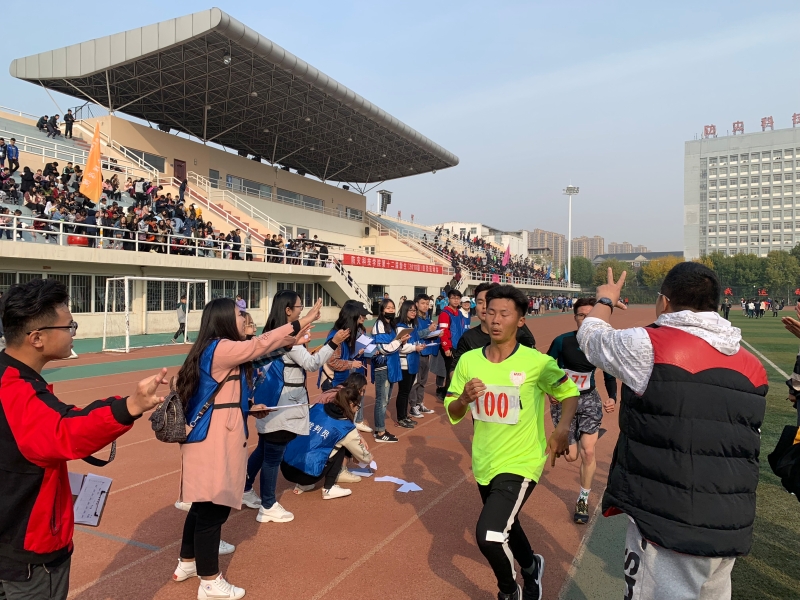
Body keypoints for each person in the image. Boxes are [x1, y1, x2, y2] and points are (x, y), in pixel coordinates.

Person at [577, 263, 768, 600]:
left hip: (666, 522)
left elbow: (591, 338)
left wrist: (605, 300)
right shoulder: (752, 365)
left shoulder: (650, 345)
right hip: (728, 523)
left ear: (664, 302)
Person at [0, 279, 168, 600]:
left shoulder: (11, 378)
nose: (73, 332)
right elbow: (67, 430)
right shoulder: (20, 392)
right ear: (37, 338)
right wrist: (131, 405)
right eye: (69, 326)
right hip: (28, 552)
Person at [172, 297, 316, 599]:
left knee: (202, 506)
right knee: (212, 511)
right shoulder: (220, 347)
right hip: (213, 442)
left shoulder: (216, 348)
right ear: (224, 319)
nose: (245, 319)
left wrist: (250, 407)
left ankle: (188, 562)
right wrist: (299, 324)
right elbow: (260, 345)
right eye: (240, 315)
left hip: (211, 437)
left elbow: (248, 367)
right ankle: (210, 581)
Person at [445, 285, 580, 600]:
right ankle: (532, 566)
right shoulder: (468, 361)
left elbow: (570, 393)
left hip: (522, 461)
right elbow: (452, 411)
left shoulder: (537, 362)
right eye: (490, 312)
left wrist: (562, 429)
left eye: (504, 314)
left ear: (520, 320)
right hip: (484, 461)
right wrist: (463, 399)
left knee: (489, 535)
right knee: (508, 523)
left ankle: (509, 591)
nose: (495, 319)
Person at [243, 294, 350, 524]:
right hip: (283, 404)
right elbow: (311, 364)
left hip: (271, 400)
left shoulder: (271, 333)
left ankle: (245, 488)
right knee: (273, 456)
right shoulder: (286, 338)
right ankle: (268, 505)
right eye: (300, 307)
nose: (302, 310)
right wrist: (334, 342)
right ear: (288, 310)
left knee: (264, 450)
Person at [546, 298, 617, 524]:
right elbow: (545, 368)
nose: (586, 320)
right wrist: (549, 391)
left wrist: (612, 397)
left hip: (589, 399)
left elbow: (609, 375)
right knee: (571, 456)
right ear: (575, 317)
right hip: (564, 400)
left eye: (590, 316)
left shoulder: (600, 345)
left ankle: (583, 500)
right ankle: (582, 434)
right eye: (581, 316)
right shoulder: (562, 341)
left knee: (588, 452)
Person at [281, 379, 373, 499]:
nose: (357, 409)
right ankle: (329, 488)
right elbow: (363, 457)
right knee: (340, 445)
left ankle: (302, 485)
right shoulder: (345, 427)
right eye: (358, 406)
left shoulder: (317, 407)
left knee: (311, 438)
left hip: (285, 465)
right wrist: (368, 457)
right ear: (351, 405)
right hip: (306, 475)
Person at [453, 282, 536, 372]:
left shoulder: (520, 336)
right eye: (480, 302)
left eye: (488, 302)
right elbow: (455, 369)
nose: (484, 306)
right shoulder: (467, 338)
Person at [395, 300, 427, 428]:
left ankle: (404, 415)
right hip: (404, 363)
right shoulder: (400, 327)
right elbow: (400, 347)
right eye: (411, 310)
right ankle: (401, 418)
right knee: (403, 392)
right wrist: (415, 348)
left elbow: (413, 342)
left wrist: (419, 346)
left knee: (407, 391)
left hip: (413, 361)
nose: (414, 312)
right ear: (405, 311)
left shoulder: (412, 325)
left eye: (415, 310)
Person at [408, 294, 437, 418]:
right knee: (415, 381)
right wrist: (429, 330)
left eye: (427, 304)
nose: (426, 306)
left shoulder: (427, 319)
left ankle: (420, 403)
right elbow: (415, 335)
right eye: (423, 303)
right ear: (416, 304)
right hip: (417, 353)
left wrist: (437, 333)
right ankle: (413, 406)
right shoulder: (414, 319)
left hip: (426, 353)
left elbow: (428, 334)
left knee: (423, 381)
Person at [436, 289, 468, 399]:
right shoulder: (445, 314)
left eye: (458, 298)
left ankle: (448, 392)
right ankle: (447, 394)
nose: (456, 300)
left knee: (456, 370)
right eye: (453, 298)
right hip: (450, 346)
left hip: (458, 346)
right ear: (448, 299)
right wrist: (446, 347)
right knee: (451, 370)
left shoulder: (459, 313)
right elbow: (443, 331)